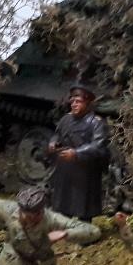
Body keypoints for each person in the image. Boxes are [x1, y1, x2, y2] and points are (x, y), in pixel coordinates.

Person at [47, 84, 110, 221]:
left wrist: (76, 153)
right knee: (63, 202)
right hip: (65, 168)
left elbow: (98, 145)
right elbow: (57, 135)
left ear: (87, 103)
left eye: (78, 101)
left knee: (83, 206)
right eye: (72, 101)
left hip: (85, 170)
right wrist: (53, 143)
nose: (74, 104)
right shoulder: (66, 119)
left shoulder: (96, 123)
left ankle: (84, 228)